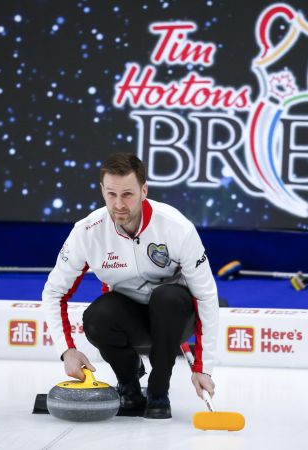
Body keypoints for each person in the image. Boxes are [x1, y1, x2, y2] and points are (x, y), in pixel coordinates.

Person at [42, 152, 219, 419]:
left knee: (167, 298)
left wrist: (203, 368)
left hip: (174, 319)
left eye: (127, 194)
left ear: (144, 190)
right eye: (111, 194)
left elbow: (206, 296)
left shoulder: (177, 227)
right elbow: (54, 292)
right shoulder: (87, 232)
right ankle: (129, 385)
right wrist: (66, 350)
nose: (119, 204)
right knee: (97, 317)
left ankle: (159, 393)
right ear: (102, 191)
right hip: (131, 321)